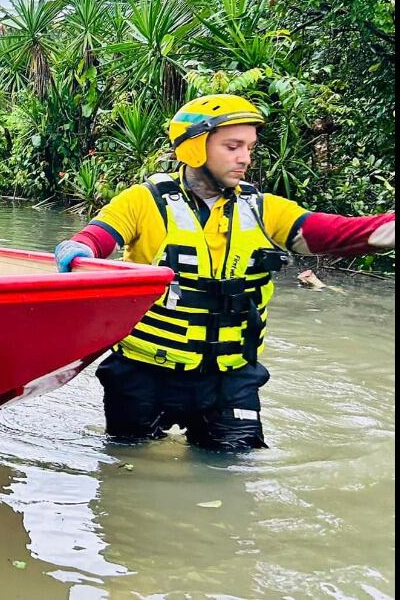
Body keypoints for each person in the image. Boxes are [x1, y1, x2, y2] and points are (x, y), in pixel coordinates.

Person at [55, 94, 395, 451]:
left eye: (249, 147)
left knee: (236, 471)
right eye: (233, 146)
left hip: (229, 378)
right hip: (144, 374)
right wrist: (79, 248)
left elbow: (339, 233)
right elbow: (100, 236)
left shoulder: (264, 209)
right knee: (126, 468)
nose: (245, 158)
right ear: (195, 148)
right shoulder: (142, 201)